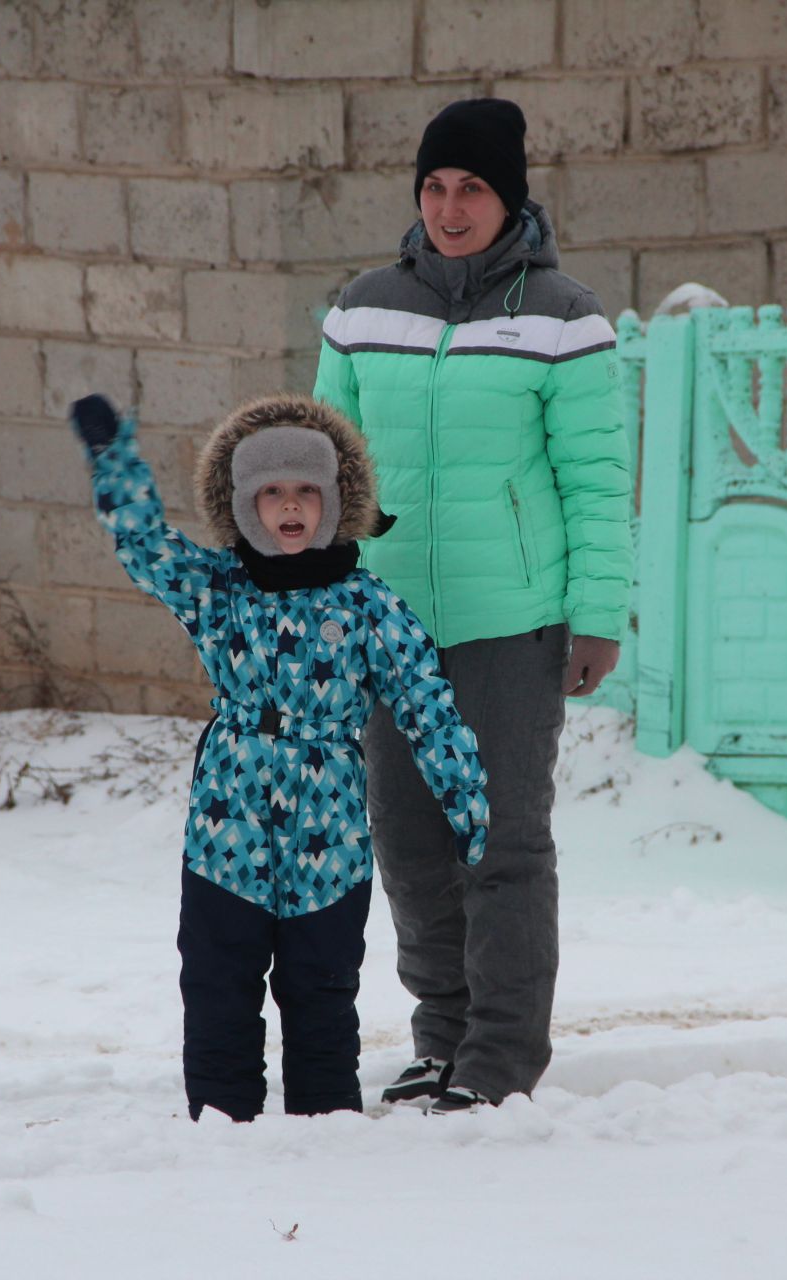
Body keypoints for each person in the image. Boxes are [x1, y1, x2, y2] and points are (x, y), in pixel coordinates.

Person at [312, 98, 631, 1113]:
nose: (451, 207)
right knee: (408, 841)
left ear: (510, 198)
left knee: (499, 843)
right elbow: (325, 469)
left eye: (473, 188)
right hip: (391, 621)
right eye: (436, 186)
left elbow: (594, 479)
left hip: (514, 621)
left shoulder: (565, 318)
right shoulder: (362, 310)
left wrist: (598, 616)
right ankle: (439, 1035)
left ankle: (499, 1055)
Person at [70, 391, 489, 1122]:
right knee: (217, 978)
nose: (289, 507)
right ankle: (222, 1122)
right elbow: (144, 545)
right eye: (271, 493)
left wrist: (464, 798)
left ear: (334, 501)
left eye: (306, 492)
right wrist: (115, 462)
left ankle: (324, 1124)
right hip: (228, 816)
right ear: (243, 505)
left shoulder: (366, 605)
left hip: (328, 828)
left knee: (322, 984)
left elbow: (426, 701)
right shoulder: (217, 591)